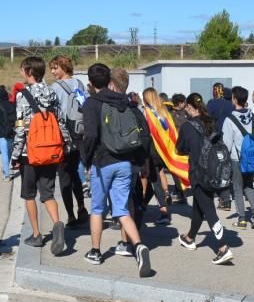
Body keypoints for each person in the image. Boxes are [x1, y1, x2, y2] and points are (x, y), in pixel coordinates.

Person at [80, 62, 154, 277]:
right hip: (125, 162)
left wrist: (87, 160)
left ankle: (95, 251)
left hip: (103, 162)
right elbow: (143, 132)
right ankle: (138, 245)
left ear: (91, 83)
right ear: (109, 81)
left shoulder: (92, 103)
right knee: (121, 208)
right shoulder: (127, 101)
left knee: (97, 208)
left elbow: (91, 135)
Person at [11, 56, 67, 255]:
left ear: (28, 71)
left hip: (30, 153)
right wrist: (65, 146)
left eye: (21, 70)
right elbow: (60, 121)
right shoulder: (51, 92)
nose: (20, 73)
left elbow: (20, 129)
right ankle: (58, 223)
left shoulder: (21, 95)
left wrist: (14, 156)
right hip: (51, 150)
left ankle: (37, 234)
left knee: (29, 195)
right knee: (48, 193)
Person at [175, 93, 234, 265]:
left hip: (198, 174)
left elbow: (180, 148)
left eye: (186, 106)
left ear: (190, 107)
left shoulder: (187, 127)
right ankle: (190, 237)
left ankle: (223, 247)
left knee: (209, 210)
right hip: (214, 173)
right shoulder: (211, 122)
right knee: (199, 207)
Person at [49, 55, 88, 228]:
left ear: (63, 67)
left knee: (64, 176)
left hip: (62, 136)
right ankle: (81, 207)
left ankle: (70, 215)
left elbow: (52, 112)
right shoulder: (80, 84)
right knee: (75, 174)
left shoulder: (55, 87)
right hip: (79, 134)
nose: (52, 71)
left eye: (55, 68)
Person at [222, 86, 254, 229]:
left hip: (237, 159)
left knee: (237, 188)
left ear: (234, 99)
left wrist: (223, 161)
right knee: (249, 185)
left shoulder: (230, 119)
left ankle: (242, 219)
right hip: (252, 158)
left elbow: (227, 144)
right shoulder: (252, 116)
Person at [140, 87, 174, 226]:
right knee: (155, 176)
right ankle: (142, 206)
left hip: (151, 151)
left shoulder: (147, 113)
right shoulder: (164, 112)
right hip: (163, 151)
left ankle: (164, 211)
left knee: (154, 181)